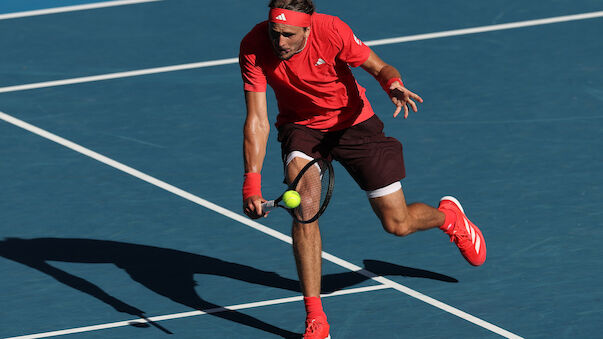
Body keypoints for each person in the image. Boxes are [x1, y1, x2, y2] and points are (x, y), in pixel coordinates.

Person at [239, 1, 487, 338]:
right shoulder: (253, 46)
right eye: (274, 32)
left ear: (308, 29)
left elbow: (379, 67)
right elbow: (257, 119)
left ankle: (449, 218)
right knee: (305, 207)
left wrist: (394, 85)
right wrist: (251, 183)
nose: (279, 41)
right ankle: (316, 318)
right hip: (302, 128)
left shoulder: (332, 30)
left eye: (288, 34)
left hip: (353, 123)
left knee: (397, 224)